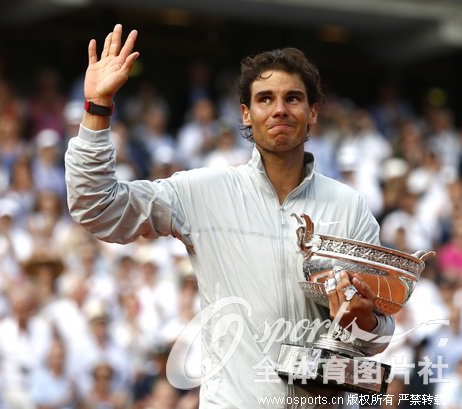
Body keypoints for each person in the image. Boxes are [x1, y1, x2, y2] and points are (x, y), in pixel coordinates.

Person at [64, 24, 395, 408]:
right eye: (265, 99)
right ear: (246, 114)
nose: (280, 110)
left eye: (293, 98)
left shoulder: (348, 206)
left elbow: (379, 336)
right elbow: (99, 208)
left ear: (313, 112)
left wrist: (363, 320)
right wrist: (97, 108)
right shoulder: (204, 191)